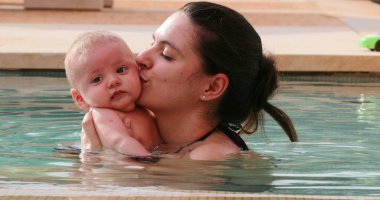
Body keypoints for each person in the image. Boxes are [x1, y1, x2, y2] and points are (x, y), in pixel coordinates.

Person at [81, 2, 298, 160]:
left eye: (165, 54)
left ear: (212, 87)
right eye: (151, 43)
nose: (140, 59)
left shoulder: (210, 158)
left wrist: (100, 159)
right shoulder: (141, 132)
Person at [64, 31, 160, 157]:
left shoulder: (145, 105)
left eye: (121, 70)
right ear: (80, 98)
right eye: (97, 79)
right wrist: (150, 160)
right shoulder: (103, 115)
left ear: (138, 69)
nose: (113, 81)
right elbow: (119, 142)